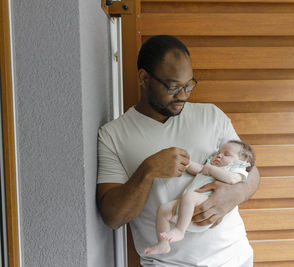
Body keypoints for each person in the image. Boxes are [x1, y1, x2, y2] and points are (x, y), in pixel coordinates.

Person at [96, 35, 260, 266]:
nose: (183, 95)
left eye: (189, 85)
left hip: (234, 257)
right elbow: (113, 218)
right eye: (173, 87)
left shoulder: (212, 115)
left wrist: (235, 195)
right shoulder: (113, 135)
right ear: (144, 78)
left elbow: (251, 171)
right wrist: (147, 171)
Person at [144, 140, 255, 255]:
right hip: (188, 208)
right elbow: (198, 169)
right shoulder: (209, 167)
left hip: (207, 205)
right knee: (163, 210)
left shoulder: (236, 171)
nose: (219, 155)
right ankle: (163, 244)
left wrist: (211, 170)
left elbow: (232, 180)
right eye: (219, 152)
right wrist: (186, 163)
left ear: (242, 162)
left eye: (226, 154)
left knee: (190, 196)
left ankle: (179, 230)